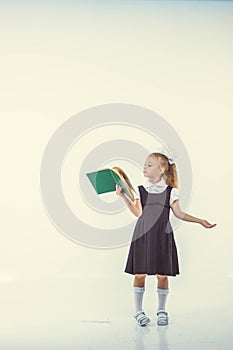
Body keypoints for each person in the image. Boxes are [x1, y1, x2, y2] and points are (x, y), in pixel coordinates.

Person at [116, 152, 216, 326]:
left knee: (162, 275)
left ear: (162, 169)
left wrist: (200, 221)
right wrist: (124, 196)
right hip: (143, 235)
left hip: (162, 236)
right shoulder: (141, 190)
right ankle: (138, 311)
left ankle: (162, 310)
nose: (144, 167)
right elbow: (138, 213)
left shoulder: (171, 192)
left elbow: (179, 213)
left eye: (149, 165)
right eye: (145, 164)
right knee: (140, 273)